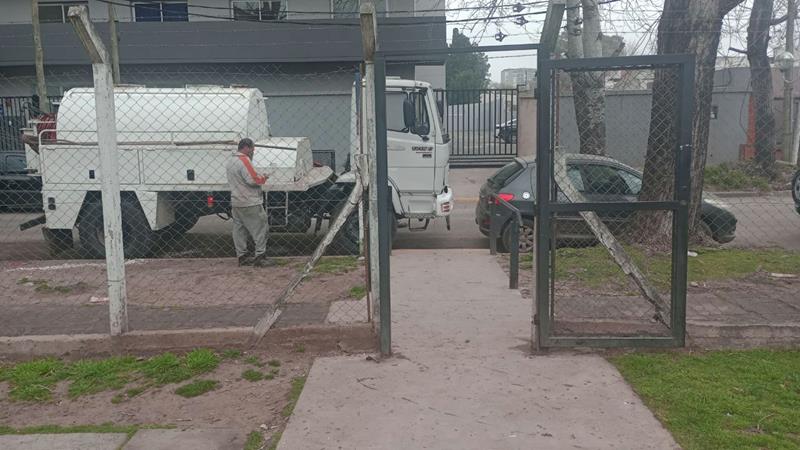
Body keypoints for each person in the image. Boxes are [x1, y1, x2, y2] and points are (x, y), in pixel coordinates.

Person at [226, 138, 273, 267]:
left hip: (236, 201)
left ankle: (242, 256)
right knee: (261, 228)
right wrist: (264, 177)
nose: (253, 151)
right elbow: (254, 180)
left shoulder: (230, 161)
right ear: (246, 147)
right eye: (252, 149)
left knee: (239, 229)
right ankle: (260, 256)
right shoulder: (244, 160)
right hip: (250, 201)